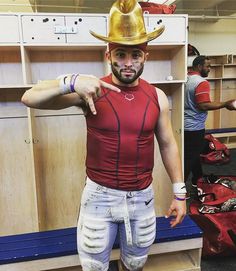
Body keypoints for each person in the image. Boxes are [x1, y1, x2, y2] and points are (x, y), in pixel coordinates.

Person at [21, 1, 186, 270]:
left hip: (142, 196)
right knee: (95, 267)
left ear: (146, 56)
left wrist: (180, 193)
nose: (128, 63)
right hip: (100, 197)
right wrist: (71, 82)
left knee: (135, 264)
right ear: (109, 55)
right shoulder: (91, 91)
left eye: (135, 55)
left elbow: (167, 144)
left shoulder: (156, 96)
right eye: (120, 54)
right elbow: (29, 98)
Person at [184, 55, 236, 198]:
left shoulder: (185, 79)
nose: (209, 69)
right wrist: (225, 104)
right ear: (199, 66)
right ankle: (180, 191)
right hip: (194, 127)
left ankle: (197, 179)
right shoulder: (201, 82)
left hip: (183, 126)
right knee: (188, 159)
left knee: (193, 155)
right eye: (207, 66)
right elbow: (203, 105)